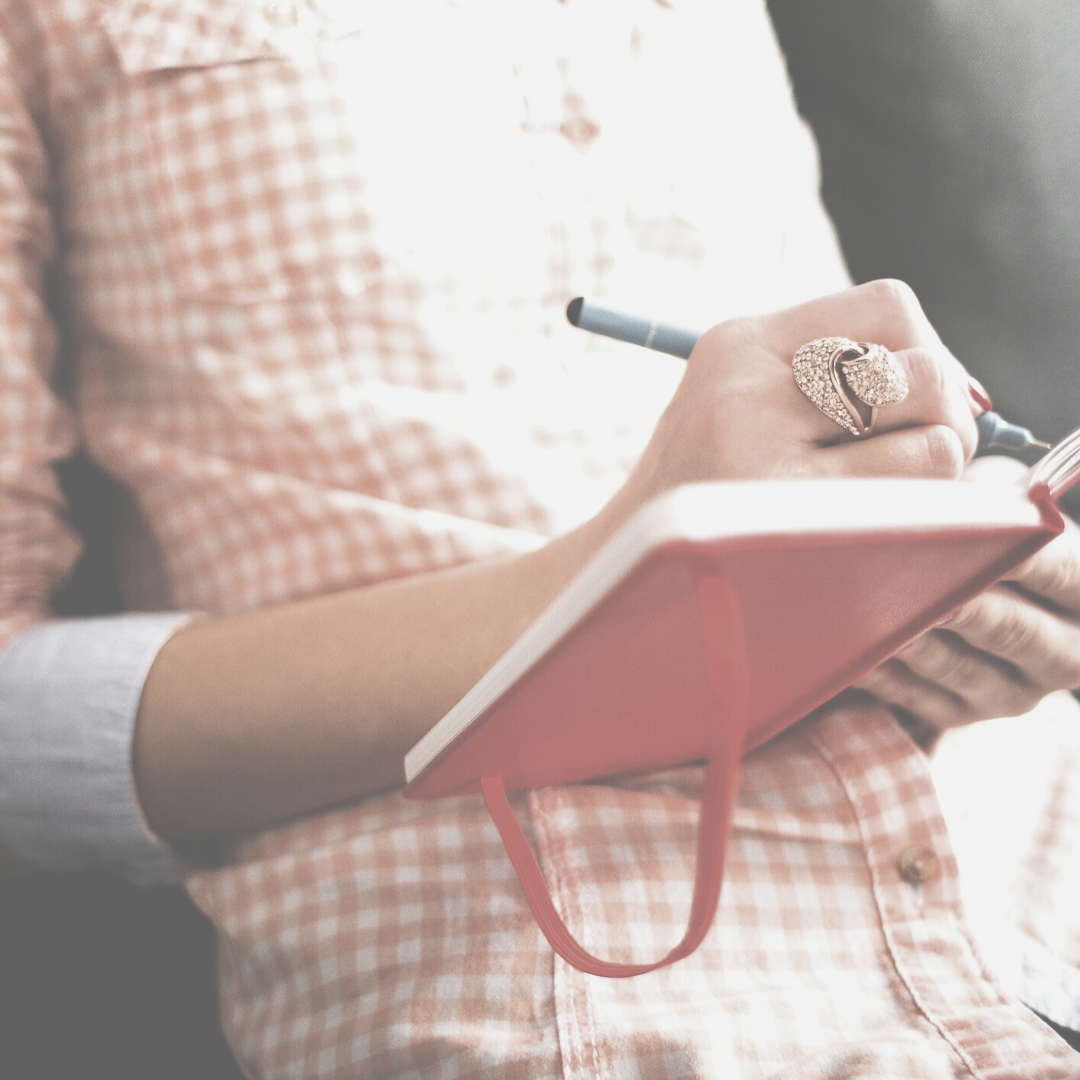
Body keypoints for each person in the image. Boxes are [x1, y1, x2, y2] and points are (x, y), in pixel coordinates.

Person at [0, 0, 1078, 1075]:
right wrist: (621, 577)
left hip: (1018, 850)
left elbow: (826, 394)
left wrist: (945, 544)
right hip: (599, 970)